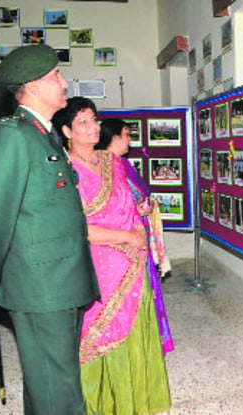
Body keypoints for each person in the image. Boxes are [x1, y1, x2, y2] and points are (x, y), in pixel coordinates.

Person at [0, 45, 100, 415]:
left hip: (60, 277)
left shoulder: (43, 135)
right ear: (33, 86)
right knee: (59, 389)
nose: (64, 82)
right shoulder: (12, 136)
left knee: (50, 378)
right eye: (56, 76)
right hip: (40, 283)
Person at [53, 98, 171, 414]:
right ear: (66, 131)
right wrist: (127, 237)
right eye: (82, 122)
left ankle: (139, 400)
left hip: (134, 260)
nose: (92, 127)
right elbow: (78, 228)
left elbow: (127, 205)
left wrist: (140, 223)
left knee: (136, 326)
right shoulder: (64, 172)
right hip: (99, 265)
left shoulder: (112, 161)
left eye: (93, 119)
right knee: (101, 333)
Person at [97, 117, 174, 355]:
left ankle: (150, 339)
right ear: (115, 137)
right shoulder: (104, 167)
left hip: (138, 232)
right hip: (121, 242)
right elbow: (109, 209)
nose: (130, 139)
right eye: (126, 134)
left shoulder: (122, 164)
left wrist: (140, 211)